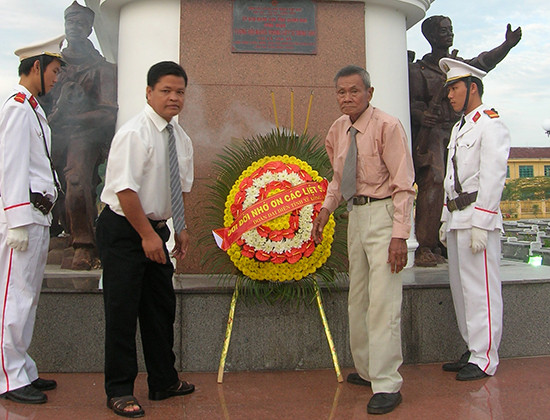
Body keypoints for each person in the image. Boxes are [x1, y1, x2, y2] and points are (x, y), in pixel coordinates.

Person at [312, 65, 415, 415]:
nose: (347, 98)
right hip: (355, 216)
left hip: (385, 216)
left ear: (369, 93)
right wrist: (326, 210)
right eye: (341, 92)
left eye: (354, 91)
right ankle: (369, 369)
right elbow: (338, 178)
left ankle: (387, 382)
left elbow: (403, 184)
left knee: (384, 301)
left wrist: (400, 236)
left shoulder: (388, 126)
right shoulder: (338, 130)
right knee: (359, 298)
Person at [96, 61, 194, 418]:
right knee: (122, 310)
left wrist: (179, 228)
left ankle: (163, 381)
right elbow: (124, 190)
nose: (173, 97)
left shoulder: (179, 137)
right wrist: (146, 236)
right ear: (149, 92)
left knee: (160, 308)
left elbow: (180, 188)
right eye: (166, 90)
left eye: (180, 91)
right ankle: (119, 389)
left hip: (157, 230)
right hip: (126, 230)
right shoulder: (135, 132)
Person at [409, 16, 521, 267]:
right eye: (443, 31)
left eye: (451, 30)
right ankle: (426, 245)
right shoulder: (418, 70)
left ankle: (445, 240)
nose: (449, 34)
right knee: (436, 178)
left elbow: (483, 62)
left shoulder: (458, 65)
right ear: (430, 36)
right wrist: (423, 115)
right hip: (435, 132)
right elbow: (414, 103)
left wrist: (506, 46)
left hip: (459, 130)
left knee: (459, 183)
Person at [0, 35, 65, 404]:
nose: (57, 78)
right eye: (54, 71)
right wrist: (17, 222)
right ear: (36, 67)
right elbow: (10, 167)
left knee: (28, 298)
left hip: (37, 216)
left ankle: (21, 366)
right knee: (14, 297)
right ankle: (8, 378)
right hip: (22, 219)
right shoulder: (16, 107)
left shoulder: (34, 109)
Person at [438, 58, 510, 381]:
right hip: (457, 218)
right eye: (449, 89)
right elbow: (451, 178)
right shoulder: (459, 127)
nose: (450, 95)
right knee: (462, 290)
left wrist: (482, 221)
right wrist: (444, 217)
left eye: (454, 88)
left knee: (481, 289)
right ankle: (472, 348)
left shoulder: (490, 124)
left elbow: (493, 176)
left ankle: (485, 357)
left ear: (473, 88)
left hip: (478, 220)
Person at [43, 1, 118, 270]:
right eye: (69, 22)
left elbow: (108, 114)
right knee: (51, 186)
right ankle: (65, 233)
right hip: (51, 135)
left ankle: (84, 245)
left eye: (79, 23)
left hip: (84, 137)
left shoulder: (102, 68)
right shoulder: (51, 65)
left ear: (89, 29)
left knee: (75, 181)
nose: (73, 27)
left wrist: (72, 119)